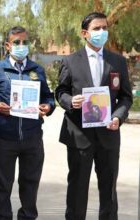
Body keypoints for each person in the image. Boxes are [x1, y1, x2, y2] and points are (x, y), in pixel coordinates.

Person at [55, 12, 133, 220]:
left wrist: (118, 116)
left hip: (108, 135)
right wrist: (71, 101)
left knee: (109, 191)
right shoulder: (71, 61)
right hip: (79, 136)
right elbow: (60, 92)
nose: (102, 32)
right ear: (84, 33)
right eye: (97, 29)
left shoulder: (117, 61)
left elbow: (126, 97)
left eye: (105, 28)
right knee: (77, 191)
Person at [0, 26, 55, 220]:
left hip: (32, 137)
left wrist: (48, 106)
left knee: (30, 182)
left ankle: (28, 216)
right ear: (8, 45)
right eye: (16, 42)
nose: (21, 46)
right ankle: (4, 216)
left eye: (24, 42)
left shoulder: (37, 70)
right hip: (5, 138)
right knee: (4, 183)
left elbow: (48, 97)